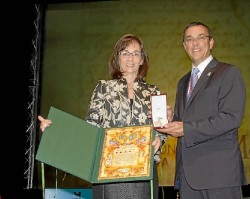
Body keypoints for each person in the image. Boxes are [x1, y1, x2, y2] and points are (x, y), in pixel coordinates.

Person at [38, 33, 167, 199]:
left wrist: (160, 138)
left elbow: (161, 127)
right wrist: (56, 129)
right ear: (117, 58)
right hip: (108, 171)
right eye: (125, 53)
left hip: (143, 171)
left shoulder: (153, 91)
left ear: (142, 59)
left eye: (136, 53)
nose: (131, 58)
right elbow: (90, 128)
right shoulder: (103, 88)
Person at [156, 22, 247, 199]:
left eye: (201, 37)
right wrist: (170, 118)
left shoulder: (228, 73)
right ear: (184, 46)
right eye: (189, 39)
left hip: (219, 174)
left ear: (211, 42)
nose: (195, 43)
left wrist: (186, 128)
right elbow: (184, 120)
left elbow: (231, 118)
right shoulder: (183, 82)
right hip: (188, 177)